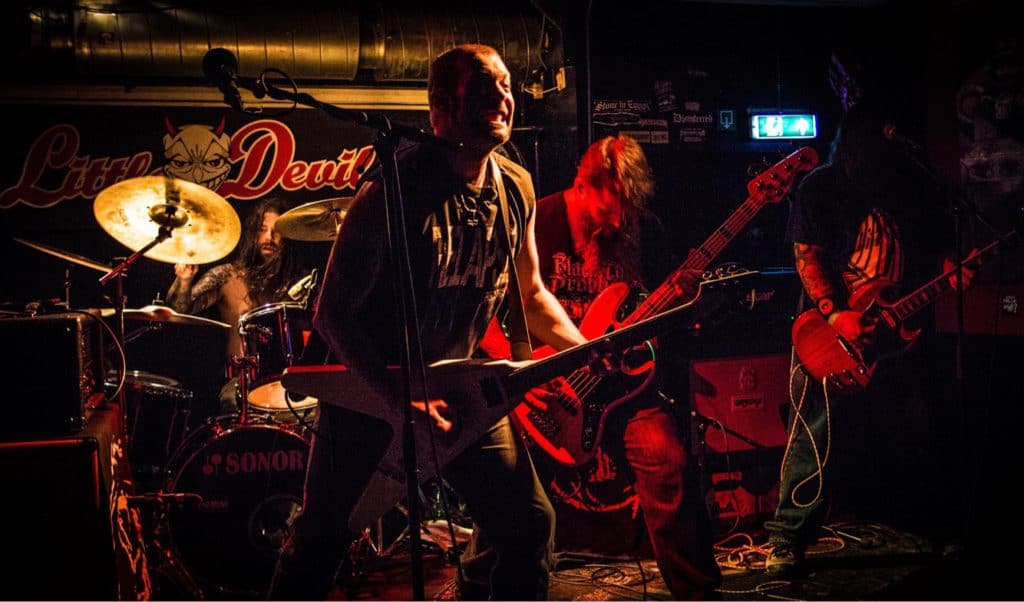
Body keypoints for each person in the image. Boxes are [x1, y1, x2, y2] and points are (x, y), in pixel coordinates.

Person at [267, 44, 589, 601]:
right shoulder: (395, 186)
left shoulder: (516, 186)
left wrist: (585, 348)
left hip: (458, 391)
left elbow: (532, 293)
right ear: (440, 105)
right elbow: (332, 313)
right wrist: (398, 399)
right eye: (484, 85)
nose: (503, 97)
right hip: (369, 395)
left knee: (530, 523)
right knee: (320, 541)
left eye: (507, 85)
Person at [764, 98, 978, 576]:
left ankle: (932, 530)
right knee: (813, 436)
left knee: (919, 428)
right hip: (828, 334)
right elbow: (807, 255)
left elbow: (933, 250)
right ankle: (787, 537)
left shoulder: (912, 190)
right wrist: (835, 313)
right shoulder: (823, 187)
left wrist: (951, 268)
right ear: (852, 142)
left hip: (896, 334)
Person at [525, 135, 722, 600]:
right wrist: (523, 380)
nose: (616, 223)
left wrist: (687, 303)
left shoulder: (642, 230)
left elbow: (663, 322)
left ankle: (698, 592)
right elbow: (494, 311)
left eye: (625, 212)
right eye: (606, 211)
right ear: (580, 186)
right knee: (509, 482)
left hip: (624, 387)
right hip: (547, 388)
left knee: (668, 460)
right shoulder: (538, 221)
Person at [167, 196, 312, 410]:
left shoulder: (298, 284)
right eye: (262, 230)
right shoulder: (227, 276)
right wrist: (184, 280)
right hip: (240, 383)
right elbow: (179, 309)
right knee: (231, 400)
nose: (269, 237)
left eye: (277, 231)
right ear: (252, 234)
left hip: (288, 383)